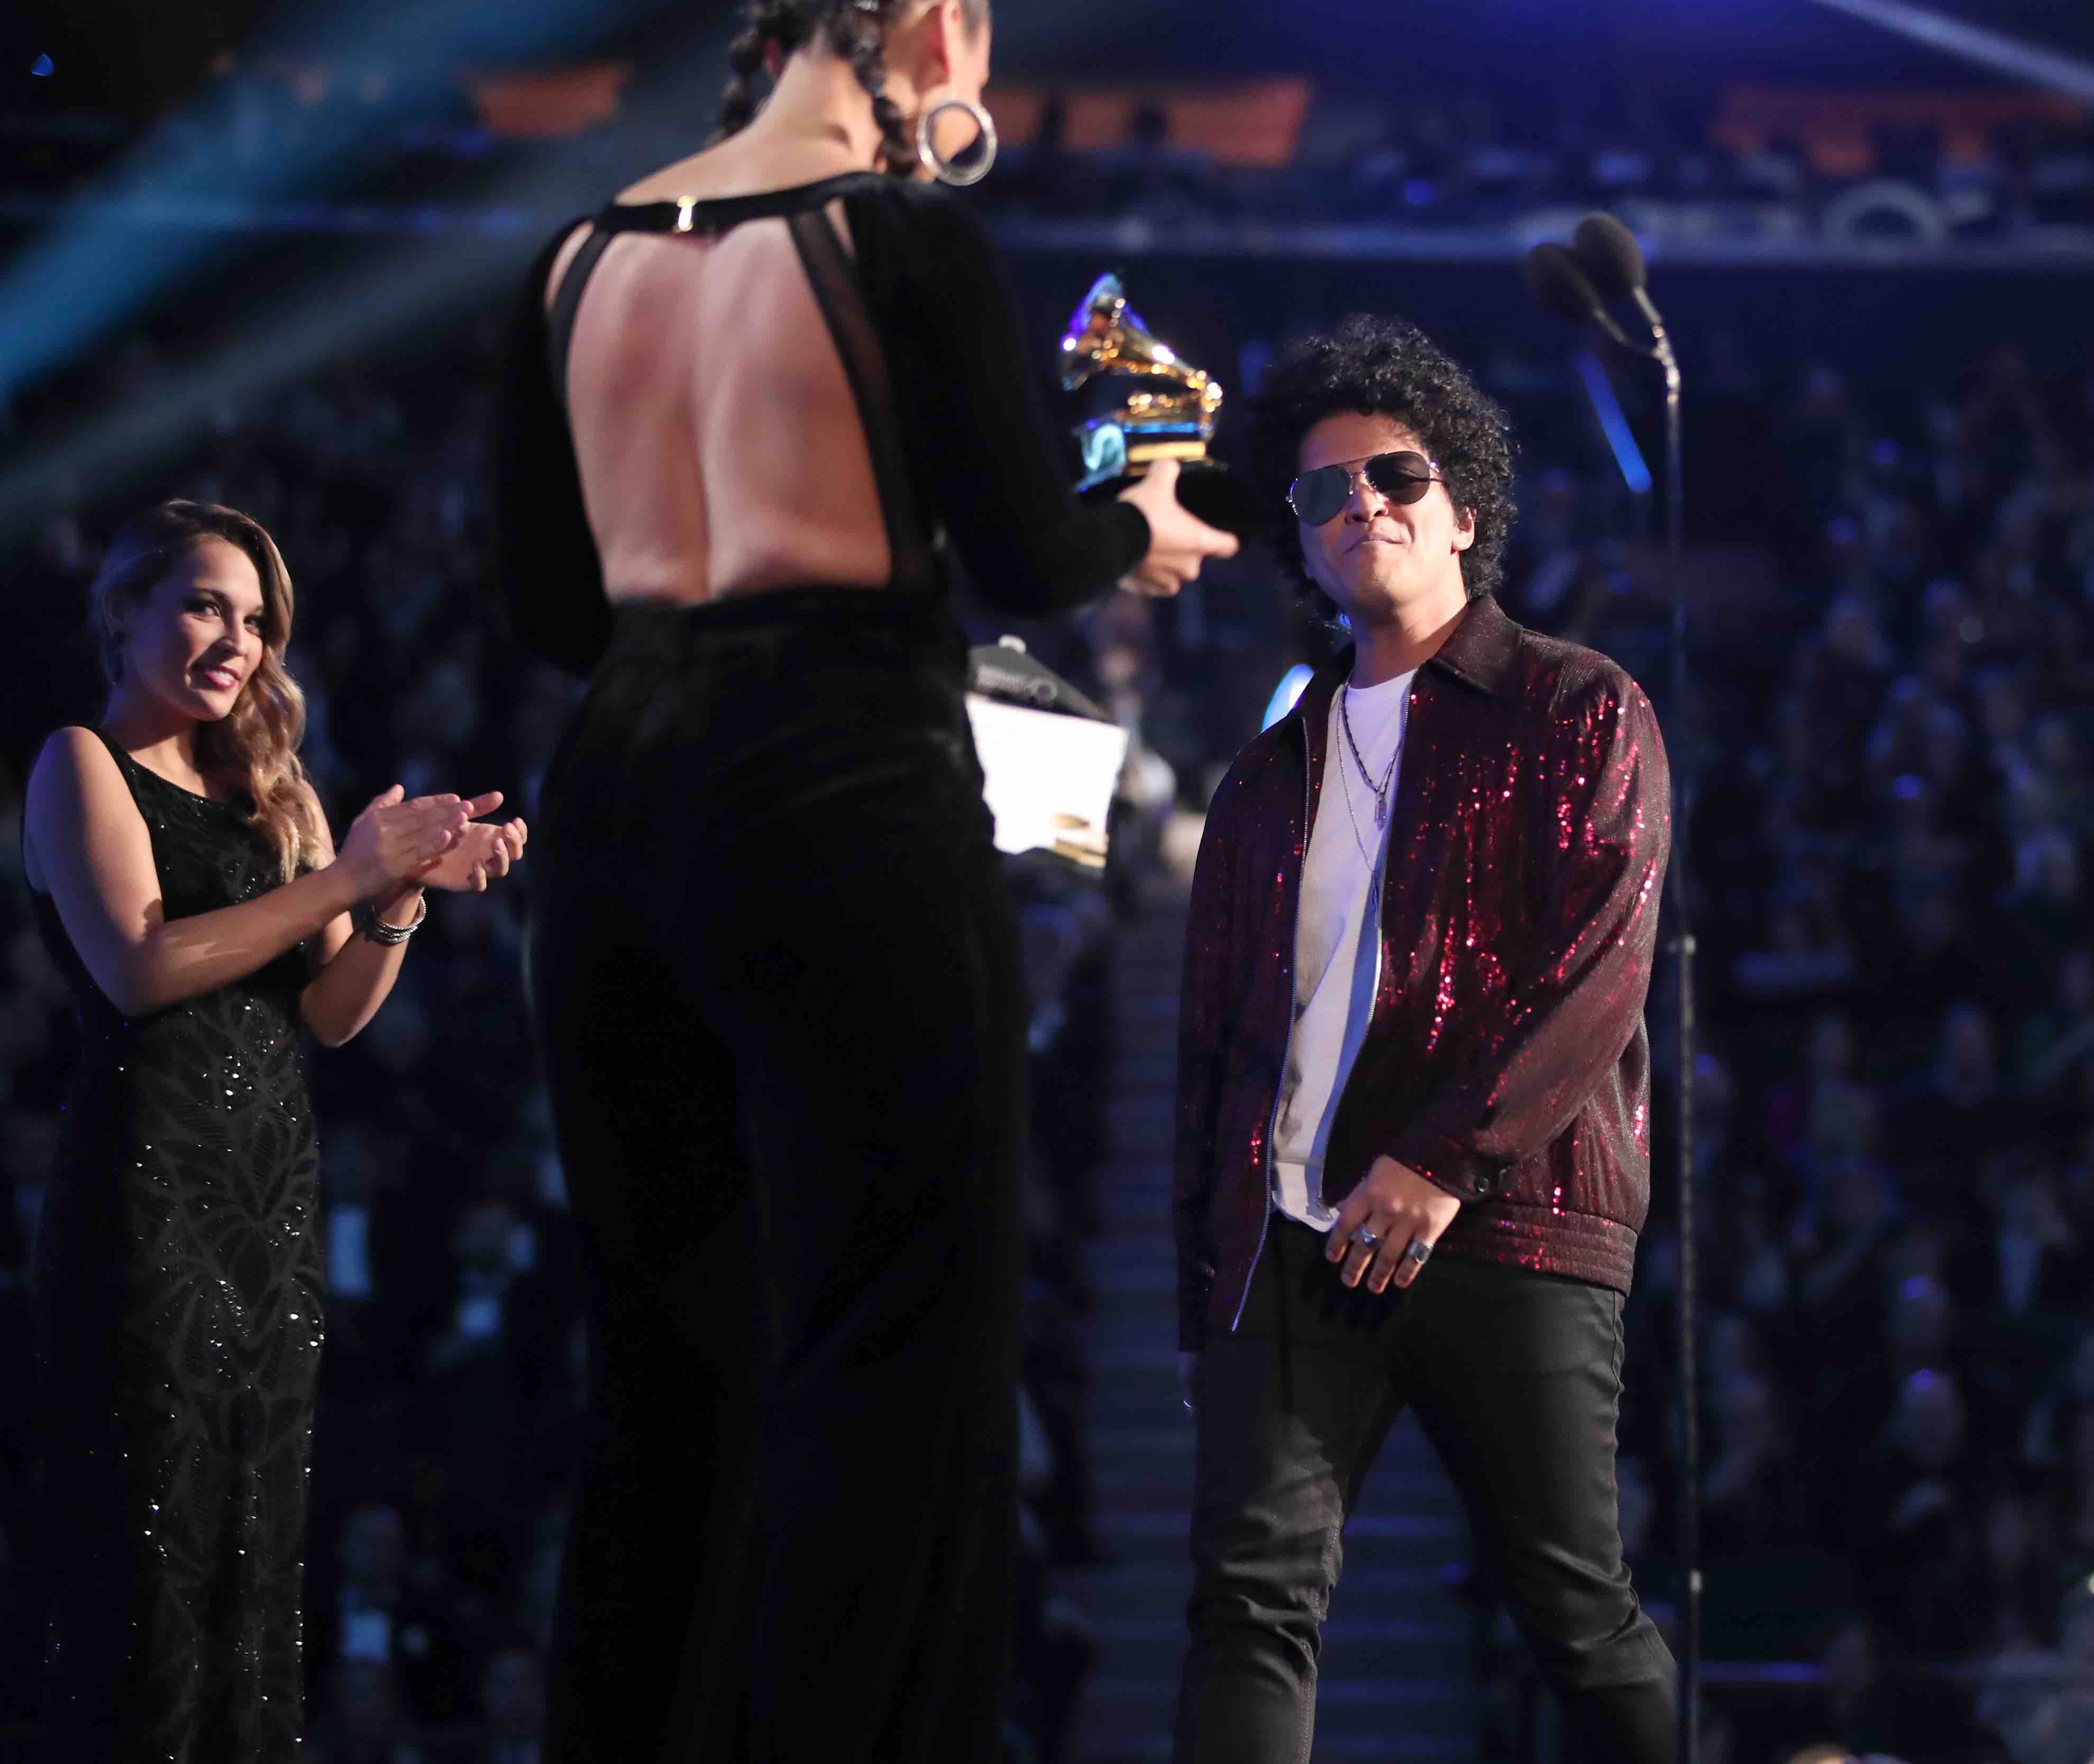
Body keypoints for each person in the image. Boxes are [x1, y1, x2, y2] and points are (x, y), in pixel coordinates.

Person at [490, 1, 1237, 1758]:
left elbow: (553, 609)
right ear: (925, 24)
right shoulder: (893, 234)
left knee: (663, 1368)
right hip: (836, 780)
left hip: (616, 801)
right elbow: (1027, 553)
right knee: (892, 1356)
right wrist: (1142, 523)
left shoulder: (576, 258)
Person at [1172, 316, 1674, 1758]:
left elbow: (1599, 965)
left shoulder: (1576, 706)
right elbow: (1215, 1052)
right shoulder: (1265, 779)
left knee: (1573, 1610)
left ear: (1463, 511)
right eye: (1322, 492)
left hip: (1510, 1222)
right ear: (1299, 540)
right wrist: (1206, 1280)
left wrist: (1446, 1157)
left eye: (1395, 475)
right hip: (1291, 1238)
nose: (1363, 506)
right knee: (1248, 1606)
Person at [19, 500, 522, 1758]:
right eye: (204, 605)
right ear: (124, 610)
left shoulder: (270, 790)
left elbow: (336, 1014)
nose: (235, 640)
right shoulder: (79, 763)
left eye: (254, 620)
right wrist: (349, 874)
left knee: (249, 1575)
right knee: (145, 1575)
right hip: (144, 1214)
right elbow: (142, 967)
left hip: (269, 1220)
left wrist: (396, 895)